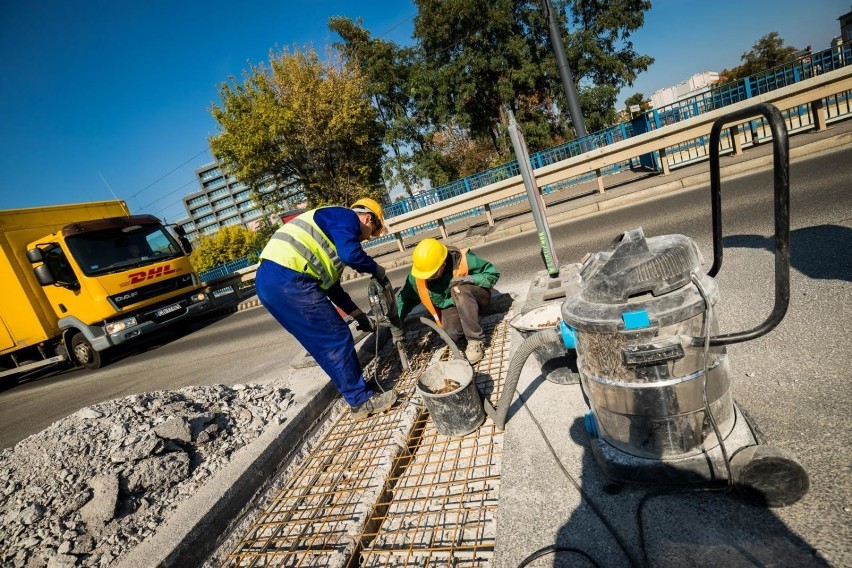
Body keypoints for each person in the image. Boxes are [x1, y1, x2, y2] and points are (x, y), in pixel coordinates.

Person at [254, 198, 397, 419]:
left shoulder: (329, 235)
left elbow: (333, 289)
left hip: (270, 283)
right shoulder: (345, 217)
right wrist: (376, 269)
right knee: (337, 337)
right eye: (369, 234)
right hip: (289, 280)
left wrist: (358, 315)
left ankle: (355, 391)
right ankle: (360, 400)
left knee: (323, 345)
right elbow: (352, 255)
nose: (364, 240)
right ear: (368, 219)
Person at [396, 238, 500, 364]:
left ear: (443, 265)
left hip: (477, 298)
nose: (427, 279)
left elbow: (492, 274)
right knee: (451, 335)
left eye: (432, 274)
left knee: (459, 289)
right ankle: (467, 320)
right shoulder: (418, 276)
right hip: (453, 306)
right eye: (425, 276)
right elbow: (404, 300)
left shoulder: (463, 260)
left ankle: (475, 340)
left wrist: (471, 279)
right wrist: (395, 322)